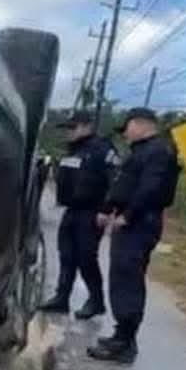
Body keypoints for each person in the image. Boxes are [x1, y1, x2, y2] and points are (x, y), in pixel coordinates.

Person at [87, 107, 181, 364]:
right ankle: (121, 334)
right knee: (120, 277)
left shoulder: (159, 151)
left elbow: (151, 189)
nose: (125, 134)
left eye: (127, 128)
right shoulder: (141, 151)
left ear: (141, 124)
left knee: (128, 279)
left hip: (141, 222)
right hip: (129, 220)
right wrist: (108, 209)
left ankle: (126, 343)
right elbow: (124, 184)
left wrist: (128, 215)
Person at [41, 111, 119, 319]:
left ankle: (96, 301)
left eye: (72, 128)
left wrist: (107, 209)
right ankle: (61, 298)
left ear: (87, 127)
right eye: (67, 128)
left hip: (92, 212)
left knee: (86, 258)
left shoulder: (102, 149)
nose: (69, 132)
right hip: (72, 211)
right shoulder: (72, 151)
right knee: (67, 256)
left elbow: (116, 181)